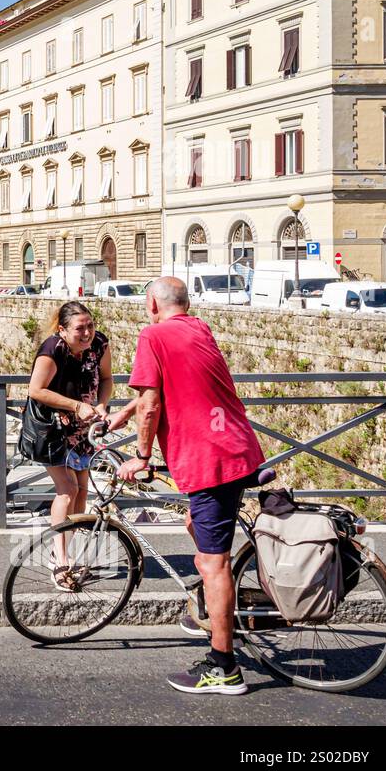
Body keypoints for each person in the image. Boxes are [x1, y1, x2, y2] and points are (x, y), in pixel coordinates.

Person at [105, 277, 265, 696]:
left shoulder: (152, 334)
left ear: (152, 304)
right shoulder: (198, 328)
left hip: (210, 460)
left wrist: (141, 458)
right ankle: (214, 606)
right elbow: (168, 388)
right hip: (237, 445)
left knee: (213, 564)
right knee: (196, 527)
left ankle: (224, 667)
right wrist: (125, 414)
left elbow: (153, 401)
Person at [26, 300, 112, 590]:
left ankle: (63, 549)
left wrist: (101, 404)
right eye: (80, 328)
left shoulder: (99, 343)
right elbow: (36, 390)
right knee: (68, 489)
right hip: (54, 428)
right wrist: (76, 405)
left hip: (84, 427)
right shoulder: (53, 350)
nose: (87, 332)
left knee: (82, 491)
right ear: (62, 330)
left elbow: (108, 378)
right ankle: (59, 561)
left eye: (90, 325)